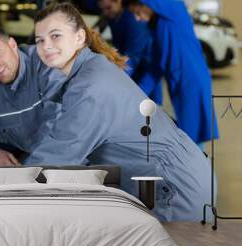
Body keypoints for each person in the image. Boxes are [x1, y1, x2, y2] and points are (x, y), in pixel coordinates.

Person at [24, 2, 213, 222]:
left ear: (79, 37)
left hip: (175, 189)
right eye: (40, 40)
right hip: (182, 175)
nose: (46, 46)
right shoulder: (93, 66)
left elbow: (58, 153)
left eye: (55, 36)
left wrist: (3, 187)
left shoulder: (91, 86)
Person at [0, 22, 65, 166]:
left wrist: (29, 171)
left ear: (12, 44)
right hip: (34, 163)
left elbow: (58, 125)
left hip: (80, 159)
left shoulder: (48, 65)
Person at [123, 0, 219, 145]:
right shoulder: (158, 29)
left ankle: (202, 167)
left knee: (193, 140)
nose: (137, 18)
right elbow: (154, 68)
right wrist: (136, 96)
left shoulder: (173, 11)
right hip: (180, 84)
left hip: (192, 81)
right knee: (189, 137)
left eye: (137, 12)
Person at [97, 0, 162, 104]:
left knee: (147, 108)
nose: (105, 13)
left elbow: (132, 58)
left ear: (118, 2)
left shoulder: (135, 20)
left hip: (146, 70)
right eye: (102, 9)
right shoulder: (113, 16)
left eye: (108, 8)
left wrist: (114, 83)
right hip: (129, 68)